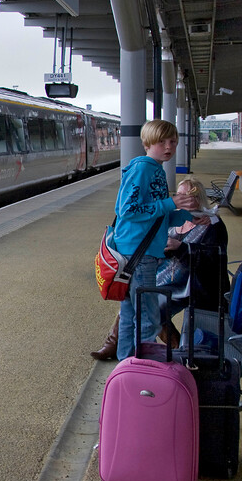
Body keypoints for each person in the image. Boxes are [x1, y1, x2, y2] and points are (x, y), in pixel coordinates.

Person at [90, 120, 207, 361]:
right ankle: (139, 372)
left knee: (130, 316)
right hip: (139, 256)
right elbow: (127, 209)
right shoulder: (144, 169)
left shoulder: (155, 169)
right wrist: (171, 203)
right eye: (161, 141)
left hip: (139, 253)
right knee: (149, 321)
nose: (168, 147)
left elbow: (156, 217)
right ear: (147, 143)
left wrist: (190, 217)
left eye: (172, 142)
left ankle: (125, 366)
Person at [90, 176, 228, 359]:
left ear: (198, 198)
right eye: (179, 195)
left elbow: (214, 258)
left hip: (194, 282)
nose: (183, 199)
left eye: (189, 195)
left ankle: (174, 350)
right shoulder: (175, 218)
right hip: (169, 276)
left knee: (150, 306)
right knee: (134, 293)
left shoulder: (211, 224)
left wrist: (182, 248)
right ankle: (116, 343)